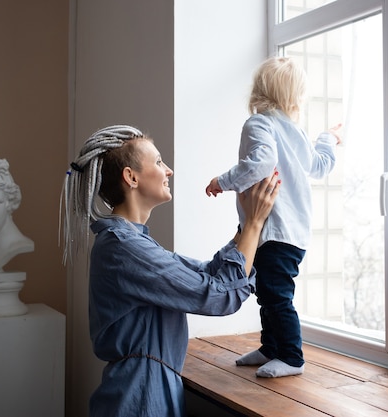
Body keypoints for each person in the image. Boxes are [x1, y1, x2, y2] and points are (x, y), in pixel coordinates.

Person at [59, 125, 280, 417]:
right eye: (159, 162)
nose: (169, 170)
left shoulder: (132, 241)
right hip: (138, 400)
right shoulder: (122, 246)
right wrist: (253, 224)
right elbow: (217, 297)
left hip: (144, 392)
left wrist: (245, 224)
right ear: (131, 177)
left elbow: (206, 274)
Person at [205, 56, 341, 378]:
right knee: (266, 291)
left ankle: (292, 357)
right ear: (295, 98)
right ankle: (270, 347)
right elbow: (320, 166)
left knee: (276, 295)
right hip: (292, 232)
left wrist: (223, 181)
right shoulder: (296, 132)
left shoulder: (259, 123)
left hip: (276, 231)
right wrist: (329, 139)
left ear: (260, 90)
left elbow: (262, 163)